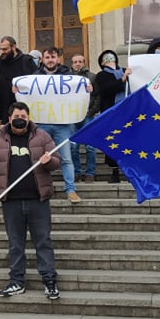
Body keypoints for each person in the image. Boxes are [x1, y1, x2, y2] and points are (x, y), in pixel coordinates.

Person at [0, 102, 61, 300]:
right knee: (15, 243)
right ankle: (16, 281)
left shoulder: (42, 136)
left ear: (29, 117)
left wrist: (48, 161)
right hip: (10, 200)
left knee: (43, 241)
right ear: (9, 118)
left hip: (38, 199)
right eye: (17, 115)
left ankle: (49, 280)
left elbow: (57, 161)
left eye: (24, 116)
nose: (20, 119)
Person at [25, 47, 81, 203]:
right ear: (42, 59)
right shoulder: (34, 77)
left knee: (66, 158)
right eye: (47, 57)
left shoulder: (68, 76)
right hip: (42, 123)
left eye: (53, 57)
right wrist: (18, 90)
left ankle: (71, 190)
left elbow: (77, 94)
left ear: (58, 59)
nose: (50, 59)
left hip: (63, 124)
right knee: (38, 158)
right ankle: (39, 188)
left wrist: (87, 89)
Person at [94, 49, 131, 183]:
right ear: (102, 62)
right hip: (112, 113)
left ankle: (129, 169)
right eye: (106, 58)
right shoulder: (102, 75)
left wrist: (127, 76)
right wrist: (122, 80)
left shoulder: (126, 71)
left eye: (111, 56)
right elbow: (106, 89)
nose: (109, 58)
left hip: (127, 112)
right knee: (113, 142)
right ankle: (114, 170)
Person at [69, 53, 99, 182]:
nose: (77, 64)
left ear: (84, 63)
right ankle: (76, 172)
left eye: (80, 61)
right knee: (73, 146)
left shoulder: (92, 77)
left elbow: (98, 96)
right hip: (72, 116)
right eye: (75, 62)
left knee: (90, 146)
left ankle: (90, 173)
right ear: (71, 64)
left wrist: (92, 111)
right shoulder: (67, 78)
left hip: (87, 115)